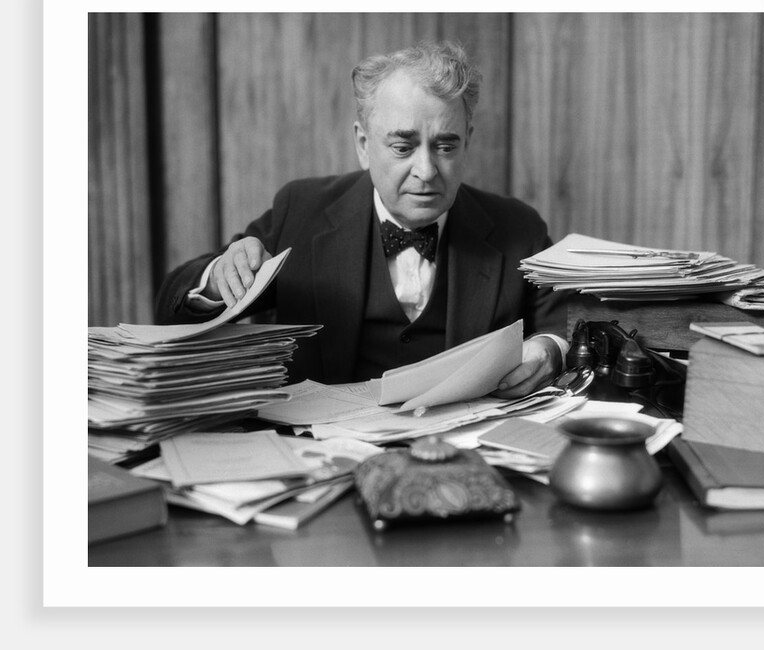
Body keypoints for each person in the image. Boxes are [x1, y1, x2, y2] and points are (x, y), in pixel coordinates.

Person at [155, 41, 571, 398]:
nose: (426, 171)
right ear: (363, 145)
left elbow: (562, 322)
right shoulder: (301, 211)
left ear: (468, 143)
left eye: (446, 147)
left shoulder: (519, 227)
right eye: (403, 147)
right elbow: (172, 310)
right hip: (324, 455)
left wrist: (549, 349)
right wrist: (216, 279)